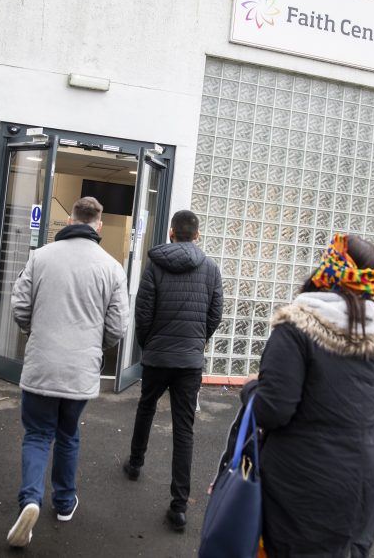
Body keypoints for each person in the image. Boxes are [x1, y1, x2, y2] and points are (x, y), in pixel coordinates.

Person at [239, 233, 374, 557]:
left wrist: (251, 387)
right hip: (362, 478)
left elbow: (273, 410)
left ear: (328, 269)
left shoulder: (297, 327)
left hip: (302, 479)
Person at [5, 196, 129, 548]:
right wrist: (94, 344)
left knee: (37, 434)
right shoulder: (111, 267)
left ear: (70, 219)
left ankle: (30, 499)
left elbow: (20, 306)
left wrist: (36, 332)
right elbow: (118, 325)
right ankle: (64, 503)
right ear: (99, 225)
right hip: (80, 369)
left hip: (42, 364)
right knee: (68, 433)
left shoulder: (40, 257)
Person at [123, 209, 223, 531]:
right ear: (196, 235)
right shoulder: (210, 268)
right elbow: (215, 313)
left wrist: (149, 344)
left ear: (171, 233)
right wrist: (198, 341)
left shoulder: (155, 265)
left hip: (157, 356)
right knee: (184, 429)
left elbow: (143, 312)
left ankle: (135, 463)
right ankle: (179, 506)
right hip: (189, 362)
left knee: (146, 408)